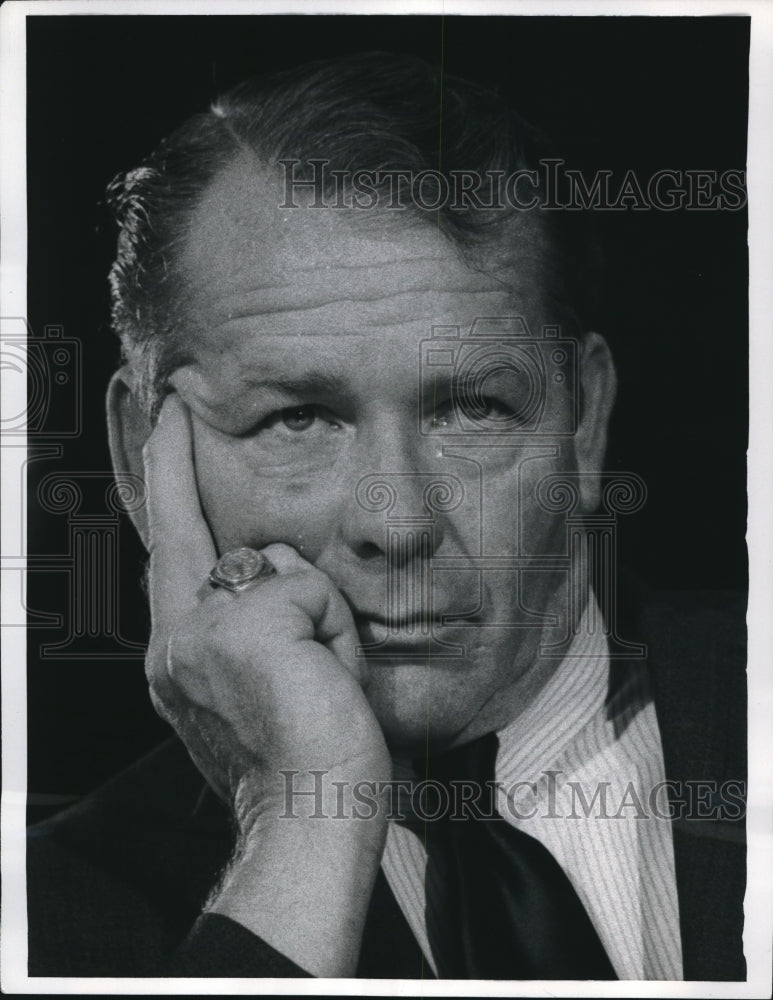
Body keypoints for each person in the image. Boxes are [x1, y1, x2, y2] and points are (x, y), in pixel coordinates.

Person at [26, 52, 746, 981]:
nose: (398, 524)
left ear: (584, 420)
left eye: (471, 408)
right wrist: (303, 818)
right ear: (141, 458)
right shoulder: (43, 917)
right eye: (297, 418)